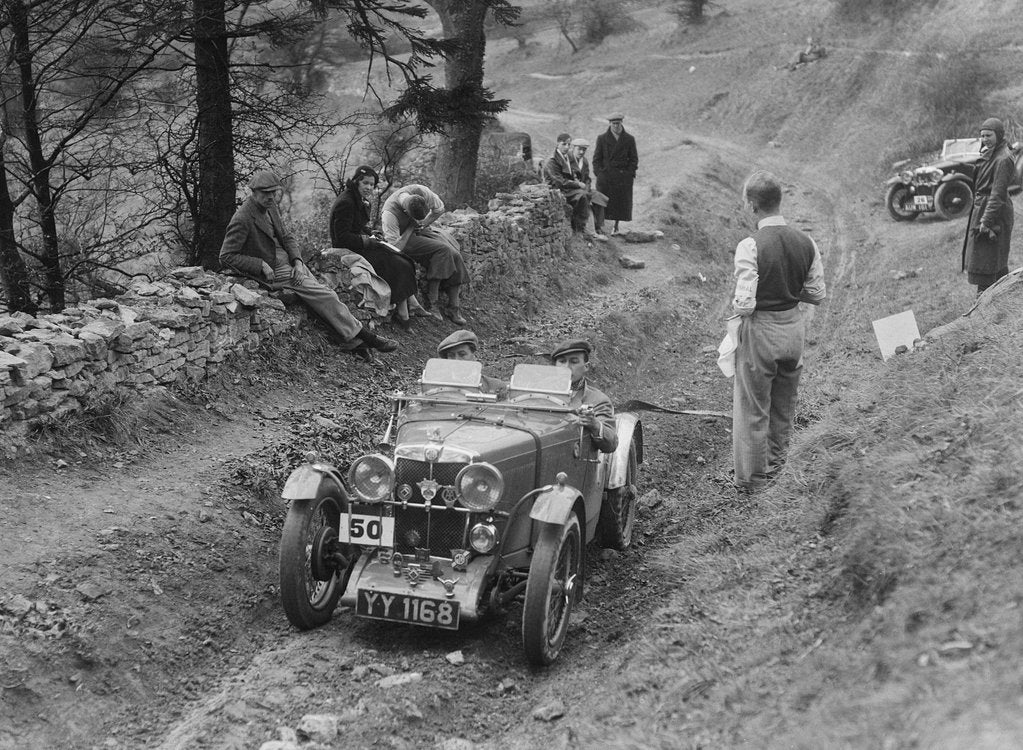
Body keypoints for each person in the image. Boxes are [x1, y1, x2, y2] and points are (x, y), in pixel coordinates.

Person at [220, 169, 398, 357]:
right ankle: (368, 338)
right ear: (253, 192)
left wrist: (297, 261)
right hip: (273, 270)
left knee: (321, 295)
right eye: (266, 193)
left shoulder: (270, 207)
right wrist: (259, 265)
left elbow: (287, 236)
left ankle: (354, 343)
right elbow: (226, 256)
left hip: (288, 262)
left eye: (274, 192)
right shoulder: (243, 218)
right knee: (325, 295)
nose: (271, 197)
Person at [730, 171, 825, 491]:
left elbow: (744, 304)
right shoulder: (806, 241)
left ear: (752, 205)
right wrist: (788, 287)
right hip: (793, 329)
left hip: (762, 331)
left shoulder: (750, 245)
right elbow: (816, 295)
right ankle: (780, 472)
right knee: (784, 407)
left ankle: (755, 481)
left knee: (754, 408)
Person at [329, 165, 436, 329]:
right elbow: (342, 237)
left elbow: (357, 226)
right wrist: (368, 241)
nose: (369, 187)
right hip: (348, 248)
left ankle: (408, 306)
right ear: (356, 182)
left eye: (372, 184)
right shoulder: (347, 202)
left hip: (359, 243)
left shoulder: (359, 200)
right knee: (394, 263)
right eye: (365, 183)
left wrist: (371, 232)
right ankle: (404, 313)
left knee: (402, 259)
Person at [381, 184, 469, 325]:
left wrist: (423, 223)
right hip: (404, 239)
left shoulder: (421, 191)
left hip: (419, 230)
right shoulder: (389, 214)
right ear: (405, 210)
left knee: (455, 254)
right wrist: (411, 228)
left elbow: (439, 208)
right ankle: (432, 302)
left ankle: (454, 307)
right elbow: (394, 248)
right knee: (443, 251)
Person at [962, 117, 1015, 295]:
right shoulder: (991, 153)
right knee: (990, 260)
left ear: (998, 135)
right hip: (983, 209)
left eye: (989, 135)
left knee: (988, 262)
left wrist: (986, 221)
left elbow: (998, 194)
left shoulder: (1003, 158)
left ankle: (984, 303)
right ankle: (999, 301)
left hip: (994, 213)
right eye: (982, 135)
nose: (985, 139)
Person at [550, 339, 618, 454]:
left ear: (586, 366)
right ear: (555, 366)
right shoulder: (533, 392)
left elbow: (611, 444)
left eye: (574, 361)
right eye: (562, 361)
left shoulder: (598, 400)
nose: (566, 367)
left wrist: (594, 424)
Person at [593, 113, 638, 235]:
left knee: (619, 203)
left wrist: (629, 174)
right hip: (606, 177)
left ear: (621, 123)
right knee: (603, 202)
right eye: (613, 124)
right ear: (609, 124)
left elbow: (634, 159)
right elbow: (596, 159)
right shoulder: (602, 138)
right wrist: (600, 174)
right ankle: (601, 228)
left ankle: (616, 226)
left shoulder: (629, 139)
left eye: (618, 123)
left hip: (622, 178)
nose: (616, 126)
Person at [543, 133, 591, 235]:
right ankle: (579, 228)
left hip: (565, 188)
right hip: (555, 189)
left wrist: (576, 180)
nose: (566, 147)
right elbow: (559, 181)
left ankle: (581, 227)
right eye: (564, 144)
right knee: (582, 195)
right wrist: (577, 184)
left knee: (586, 193)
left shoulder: (565, 157)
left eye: (569, 145)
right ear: (557, 144)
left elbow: (571, 173)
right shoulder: (552, 160)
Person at [436, 329, 507, 397]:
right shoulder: (437, 388)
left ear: (474, 355)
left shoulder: (495, 387)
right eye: (451, 356)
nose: (456, 360)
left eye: (462, 354)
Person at [570, 137, 609, 240]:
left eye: (584, 149)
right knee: (586, 201)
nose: (581, 152)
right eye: (579, 149)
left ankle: (598, 226)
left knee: (599, 197)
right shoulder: (568, 161)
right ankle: (591, 232)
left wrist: (587, 188)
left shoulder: (585, 162)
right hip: (573, 190)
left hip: (584, 189)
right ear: (573, 148)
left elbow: (587, 178)